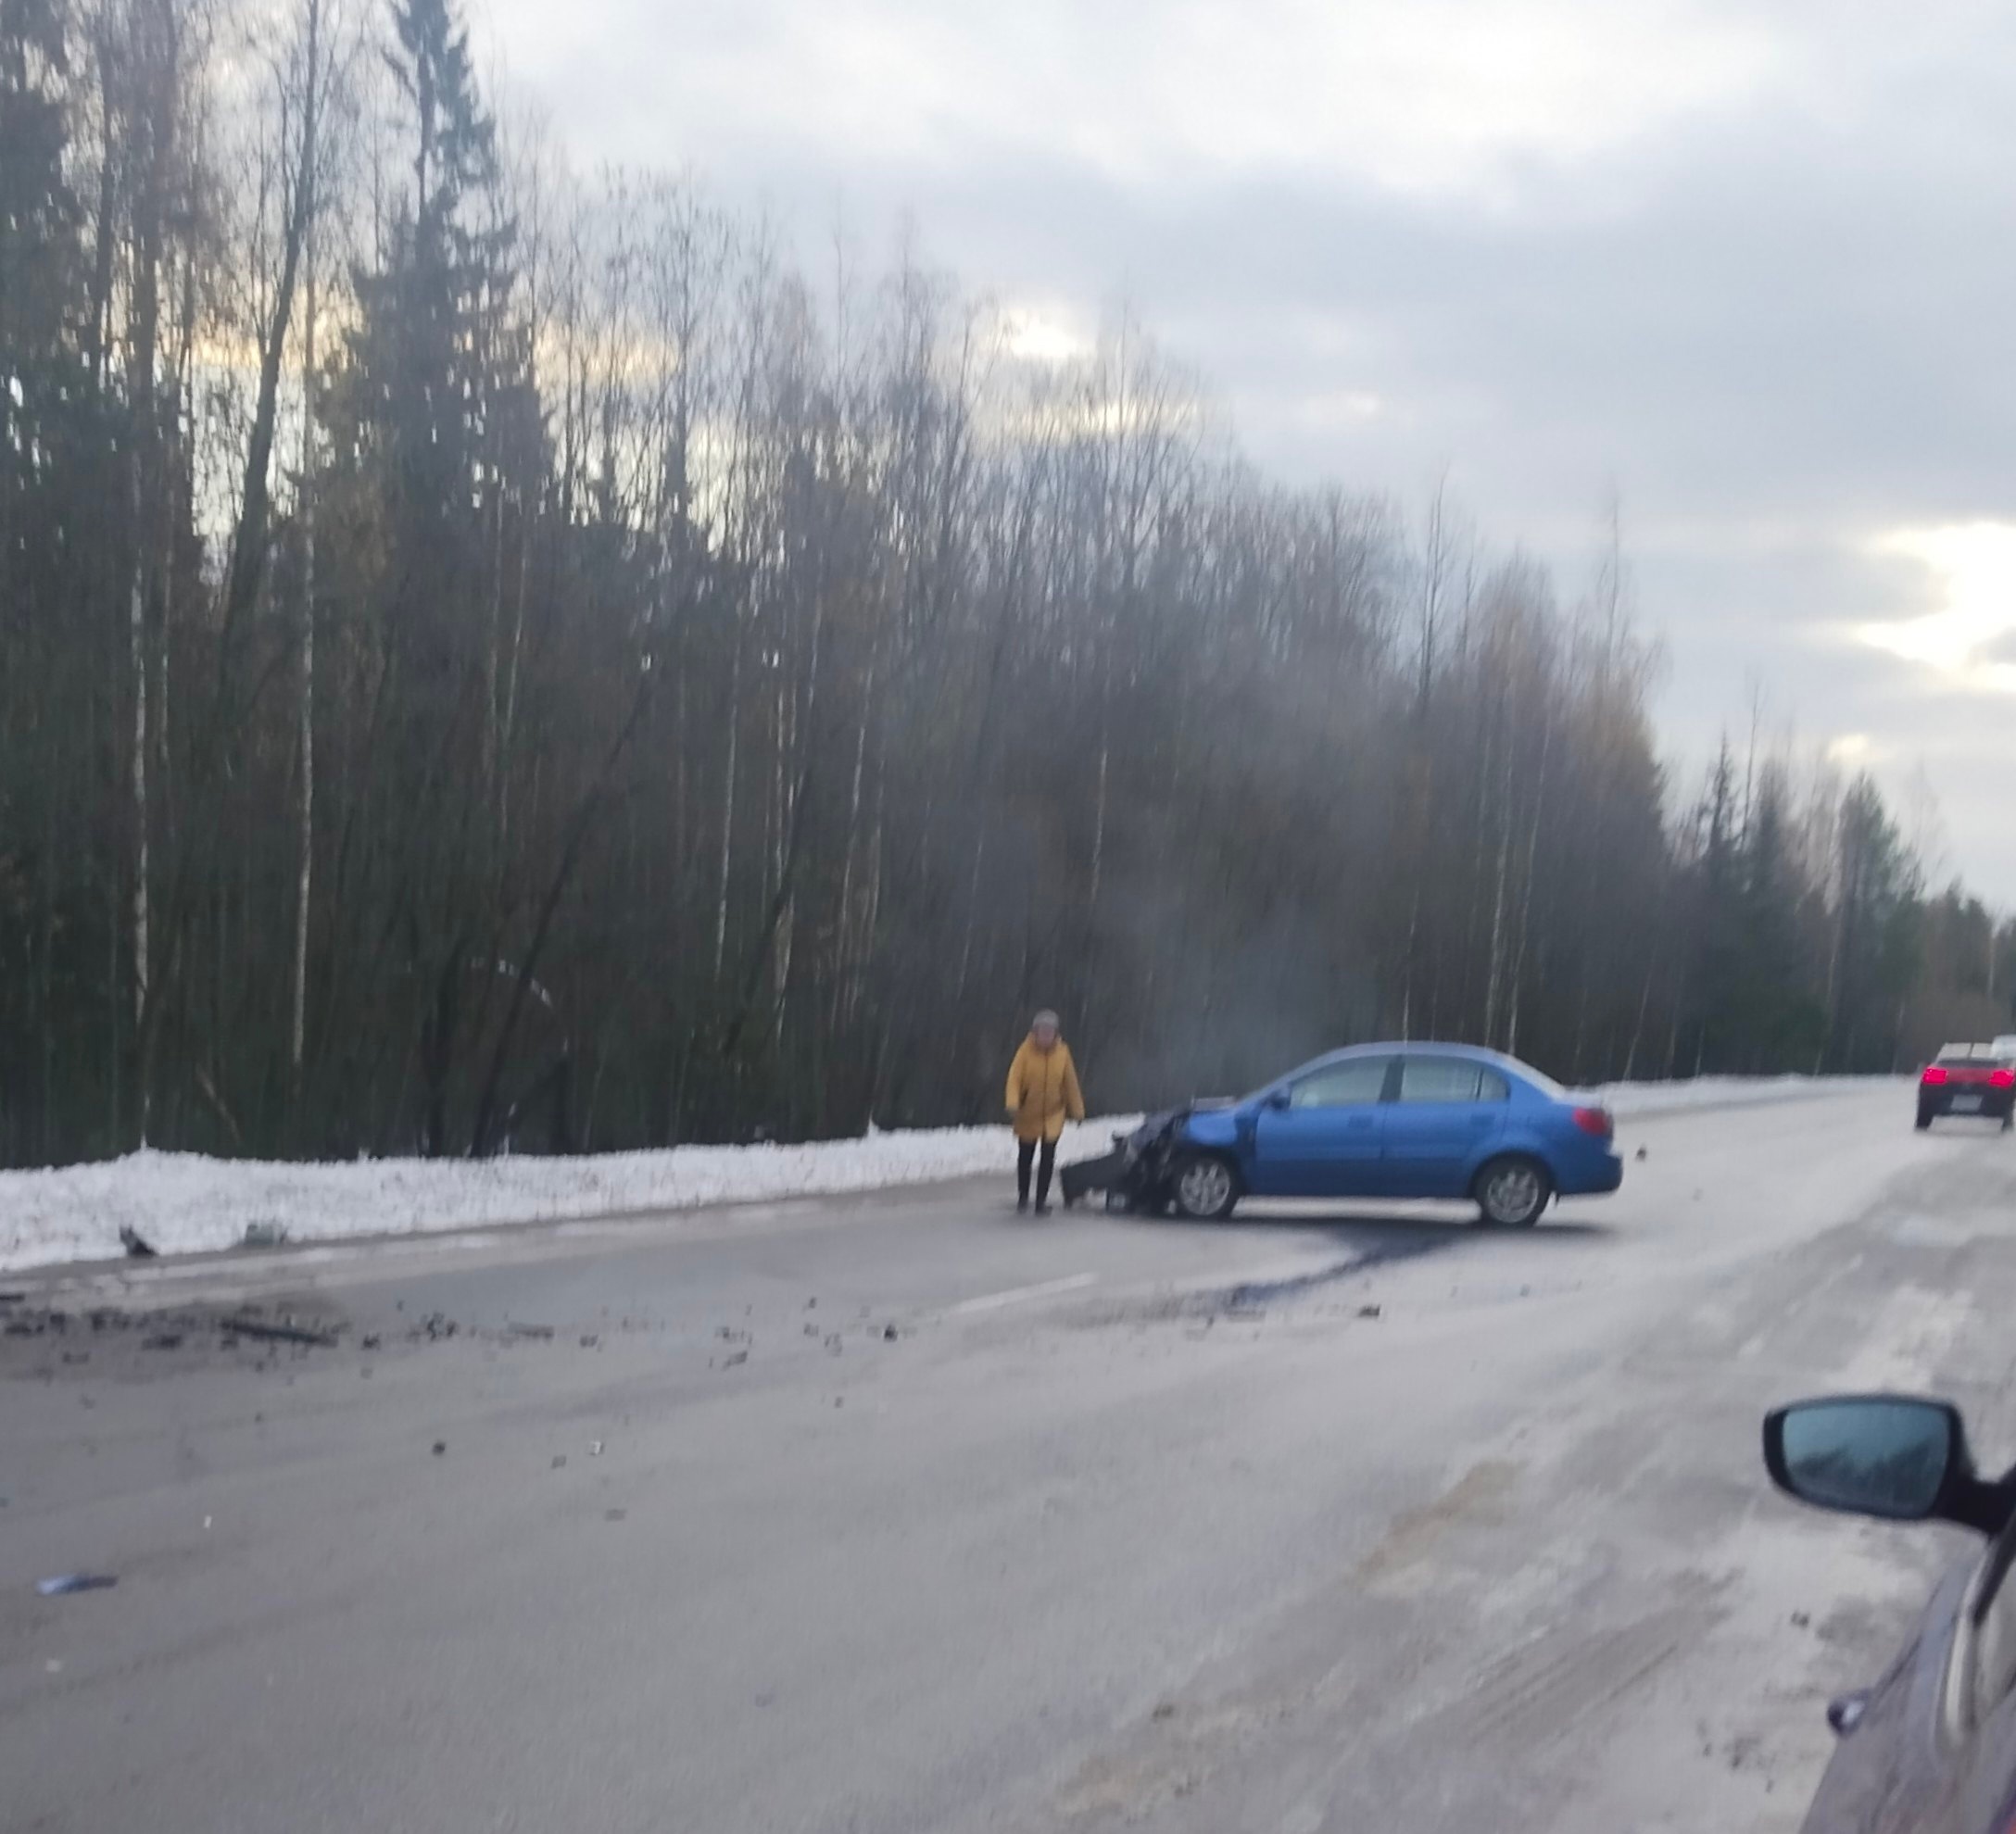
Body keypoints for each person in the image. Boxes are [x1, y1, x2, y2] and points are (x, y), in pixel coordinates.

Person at [1005, 1010, 1085, 1214]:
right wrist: (1012, 1103)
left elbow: (1070, 1083)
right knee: (1026, 1156)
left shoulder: (1063, 1053)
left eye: (1050, 1031)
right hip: (1027, 1113)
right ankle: (1023, 1196)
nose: (1046, 1036)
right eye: (1042, 1031)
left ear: (1056, 1033)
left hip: (1053, 1114)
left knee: (1048, 1157)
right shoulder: (1024, 1052)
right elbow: (1014, 1079)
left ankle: (1041, 1201)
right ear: (1035, 1032)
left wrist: (1077, 1110)